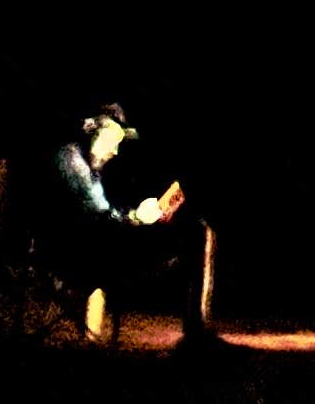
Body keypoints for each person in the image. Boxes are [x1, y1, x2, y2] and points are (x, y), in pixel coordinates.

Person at [51, 104, 205, 344]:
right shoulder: (73, 162)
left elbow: (101, 216)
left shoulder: (84, 165)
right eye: (112, 141)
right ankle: (192, 330)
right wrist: (136, 218)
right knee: (186, 239)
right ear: (94, 134)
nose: (115, 151)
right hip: (72, 253)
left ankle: (192, 329)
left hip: (84, 246)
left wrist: (137, 216)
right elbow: (98, 218)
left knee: (183, 235)